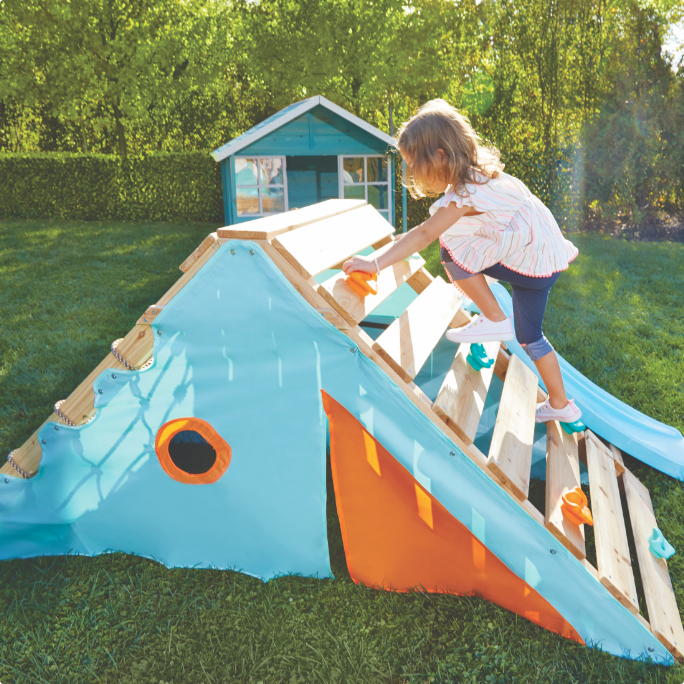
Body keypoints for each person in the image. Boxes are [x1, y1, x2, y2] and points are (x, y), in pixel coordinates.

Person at [342, 99, 581, 424]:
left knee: (449, 250)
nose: (414, 173)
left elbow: (427, 234)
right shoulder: (487, 177)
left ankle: (495, 318)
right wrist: (404, 243)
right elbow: (471, 227)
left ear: (439, 155)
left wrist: (376, 263)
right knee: (530, 337)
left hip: (526, 260)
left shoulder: (465, 195)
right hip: (541, 264)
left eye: (415, 164)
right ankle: (561, 403)